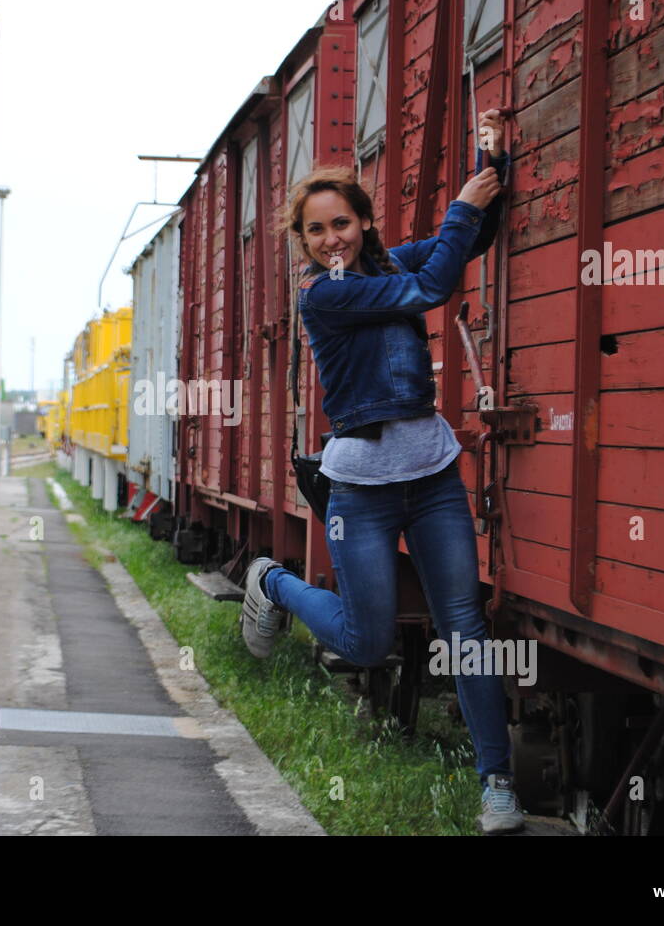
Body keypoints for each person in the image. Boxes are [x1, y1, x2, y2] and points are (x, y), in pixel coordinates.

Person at [241, 109, 525, 835]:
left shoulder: (393, 262)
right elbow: (432, 289)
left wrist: (488, 153)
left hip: (431, 478)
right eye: (315, 230)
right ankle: (273, 582)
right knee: (366, 642)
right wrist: (461, 206)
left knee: (464, 628)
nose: (331, 238)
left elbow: (473, 238)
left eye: (342, 223)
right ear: (303, 244)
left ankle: (497, 785)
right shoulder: (325, 295)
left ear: (363, 224)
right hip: (360, 490)